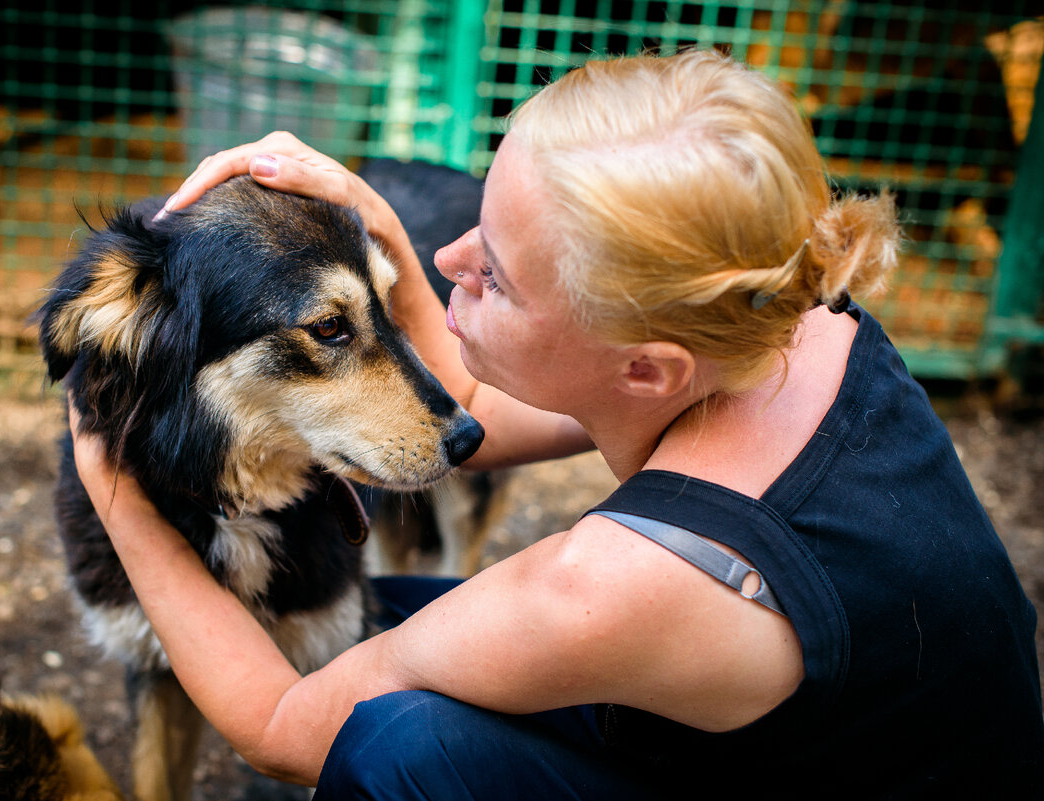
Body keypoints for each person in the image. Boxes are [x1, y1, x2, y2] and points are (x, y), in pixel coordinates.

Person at [72, 50, 1043, 798]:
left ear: (642, 368)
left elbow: (279, 724)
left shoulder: (613, 585)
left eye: (494, 271)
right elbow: (471, 425)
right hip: (884, 746)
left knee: (391, 741)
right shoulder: (787, 317)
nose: (444, 257)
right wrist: (365, 218)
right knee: (405, 616)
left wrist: (112, 486)